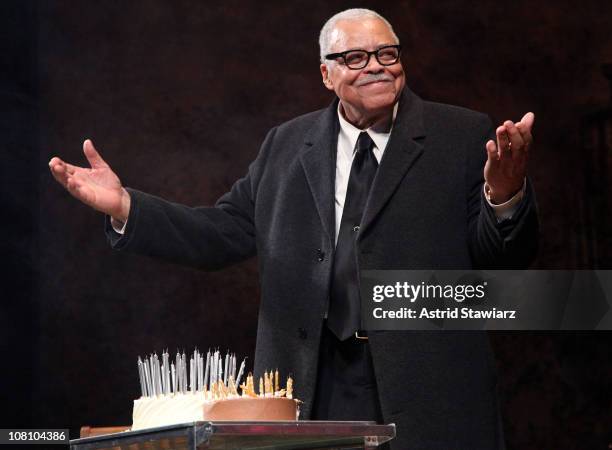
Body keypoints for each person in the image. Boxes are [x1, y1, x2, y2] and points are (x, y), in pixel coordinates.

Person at [49, 8, 538, 450]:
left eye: (387, 53)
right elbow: (223, 232)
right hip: (311, 383)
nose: (375, 66)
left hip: (428, 385)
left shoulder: (462, 134)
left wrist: (505, 195)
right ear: (326, 74)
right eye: (354, 57)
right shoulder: (286, 144)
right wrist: (127, 206)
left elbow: (502, 263)